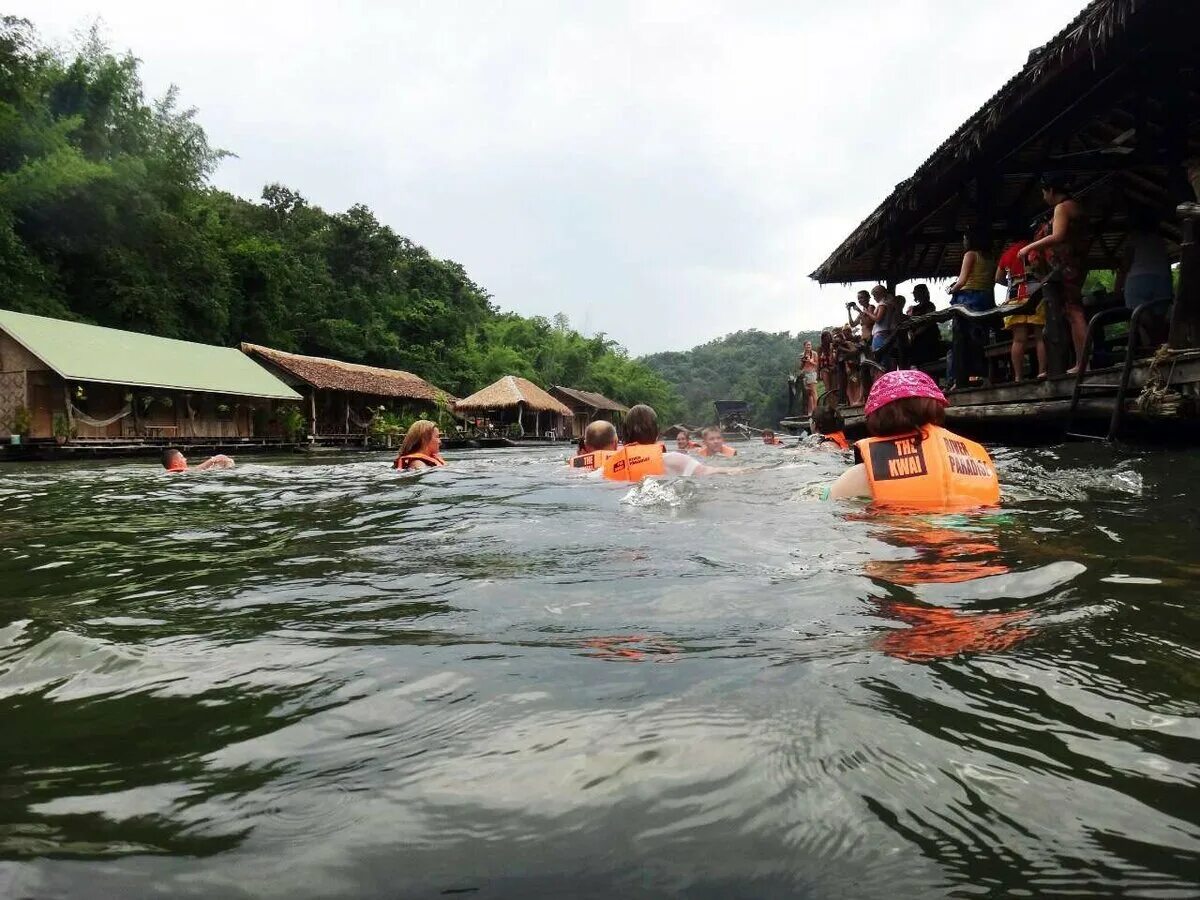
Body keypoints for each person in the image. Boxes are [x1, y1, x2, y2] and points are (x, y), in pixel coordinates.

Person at [827, 370, 999, 511]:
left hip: (902, 543)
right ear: (936, 407)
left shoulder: (861, 476)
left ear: (874, 416)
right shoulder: (978, 463)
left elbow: (829, 501)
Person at [1019, 173, 1089, 374]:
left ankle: (1083, 362)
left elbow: (1058, 236)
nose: (1043, 197)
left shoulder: (1062, 207)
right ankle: (1080, 361)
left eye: (1043, 192)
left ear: (1050, 190)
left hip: (1067, 265)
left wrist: (1029, 247)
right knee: (1073, 311)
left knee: (1075, 313)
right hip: (1077, 262)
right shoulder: (1077, 206)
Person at [600, 405, 724, 482]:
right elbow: (711, 472)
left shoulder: (606, 467)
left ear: (624, 435)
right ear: (657, 433)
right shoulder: (675, 460)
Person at [946, 232, 997, 389]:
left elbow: (962, 281)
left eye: (965, 239)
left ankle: (959, 379)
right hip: (986, 299)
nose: (964, 241)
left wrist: (950, 289)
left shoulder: (970, 254)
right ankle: (984, 375)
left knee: (961, 341)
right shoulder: (991, 257)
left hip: (968, 299)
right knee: (981, 340)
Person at [1116, 208, 1173, 347]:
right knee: (1159, 320)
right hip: (1162, 281)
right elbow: (1166, 262)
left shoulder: (1133, 239)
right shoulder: (1160, 240)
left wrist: (1118, 287)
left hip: (1138, 282)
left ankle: (1151, 348)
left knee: (1141, 318)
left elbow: (1125, 265)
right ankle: (1161, 346)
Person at [997, 236, 1046, 382]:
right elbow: (1044, 271)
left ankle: (1018, 377)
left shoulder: (1007, 254)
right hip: (1036, 295)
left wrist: (1012, 284)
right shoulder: (1037, 249)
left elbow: (998, 278)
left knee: (1018, 340)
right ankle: (1042, 372)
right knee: (1040, 337)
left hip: (1014, 298)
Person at [906, 284, 943, 366]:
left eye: (917, 292)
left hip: (928, 336)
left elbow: (929, 321)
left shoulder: (930, 305)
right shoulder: (915, 308)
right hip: (917, 338)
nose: (915, 294)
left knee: (930, 362)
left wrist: (917, 332)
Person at [869, 284, 899, 370]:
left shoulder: (882, 304)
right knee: (886, 359)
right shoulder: (890, 304)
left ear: (878, 294)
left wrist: (868, 313)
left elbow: (878, 319)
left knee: (881, 361)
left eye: (874, 295)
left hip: (880, 334)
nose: (874, 298)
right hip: (886, 333)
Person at [161, 449, 234, 472]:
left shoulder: (175, 472)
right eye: (182, 457)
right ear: (175, 463)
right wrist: (213, 460)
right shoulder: (174, 472)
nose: (185, 459)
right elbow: (194, 470)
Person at [799, 339, 819, 415]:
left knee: (813, 391)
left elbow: (817, 364)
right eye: (807, 345)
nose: (808, 346)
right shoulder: (802, 355)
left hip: (812, 373)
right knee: (808, 393)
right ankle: (810, 410)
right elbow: (800, 367)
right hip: (805, 374)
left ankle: (816, 408)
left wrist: (811, 361)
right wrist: (803, 361)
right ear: (804, 346)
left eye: (809, 345)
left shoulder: (814, 354)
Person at [817, 330, 836, 398]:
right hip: (824, 368)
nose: (826, 339)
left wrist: (831, 350)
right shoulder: (820, 348)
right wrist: (818, 374)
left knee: (834, 387)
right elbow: (818, 361)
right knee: (828, 388)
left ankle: (835, 403)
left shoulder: (834, 346)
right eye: (825, 337)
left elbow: (832, 360)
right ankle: (829, 404)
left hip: (833, 368)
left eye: (828, 337)